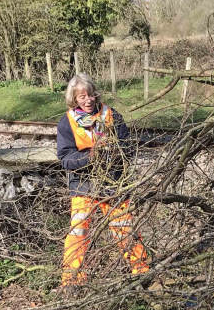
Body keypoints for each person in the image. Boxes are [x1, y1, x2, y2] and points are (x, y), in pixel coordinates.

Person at [56, 73, 149, 287]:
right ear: (74, 99)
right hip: (82, 185)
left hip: (113, 183)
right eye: (81, 97)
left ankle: (142, 271)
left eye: (89, 95)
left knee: (125, 227)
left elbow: (127, 146)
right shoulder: (67, 122)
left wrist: (114, 153)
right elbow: (65, 159)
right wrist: (91, 156)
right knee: (78, 232)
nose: (87, 100)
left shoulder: (111, 115)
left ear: (95, 94)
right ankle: (72, 280)